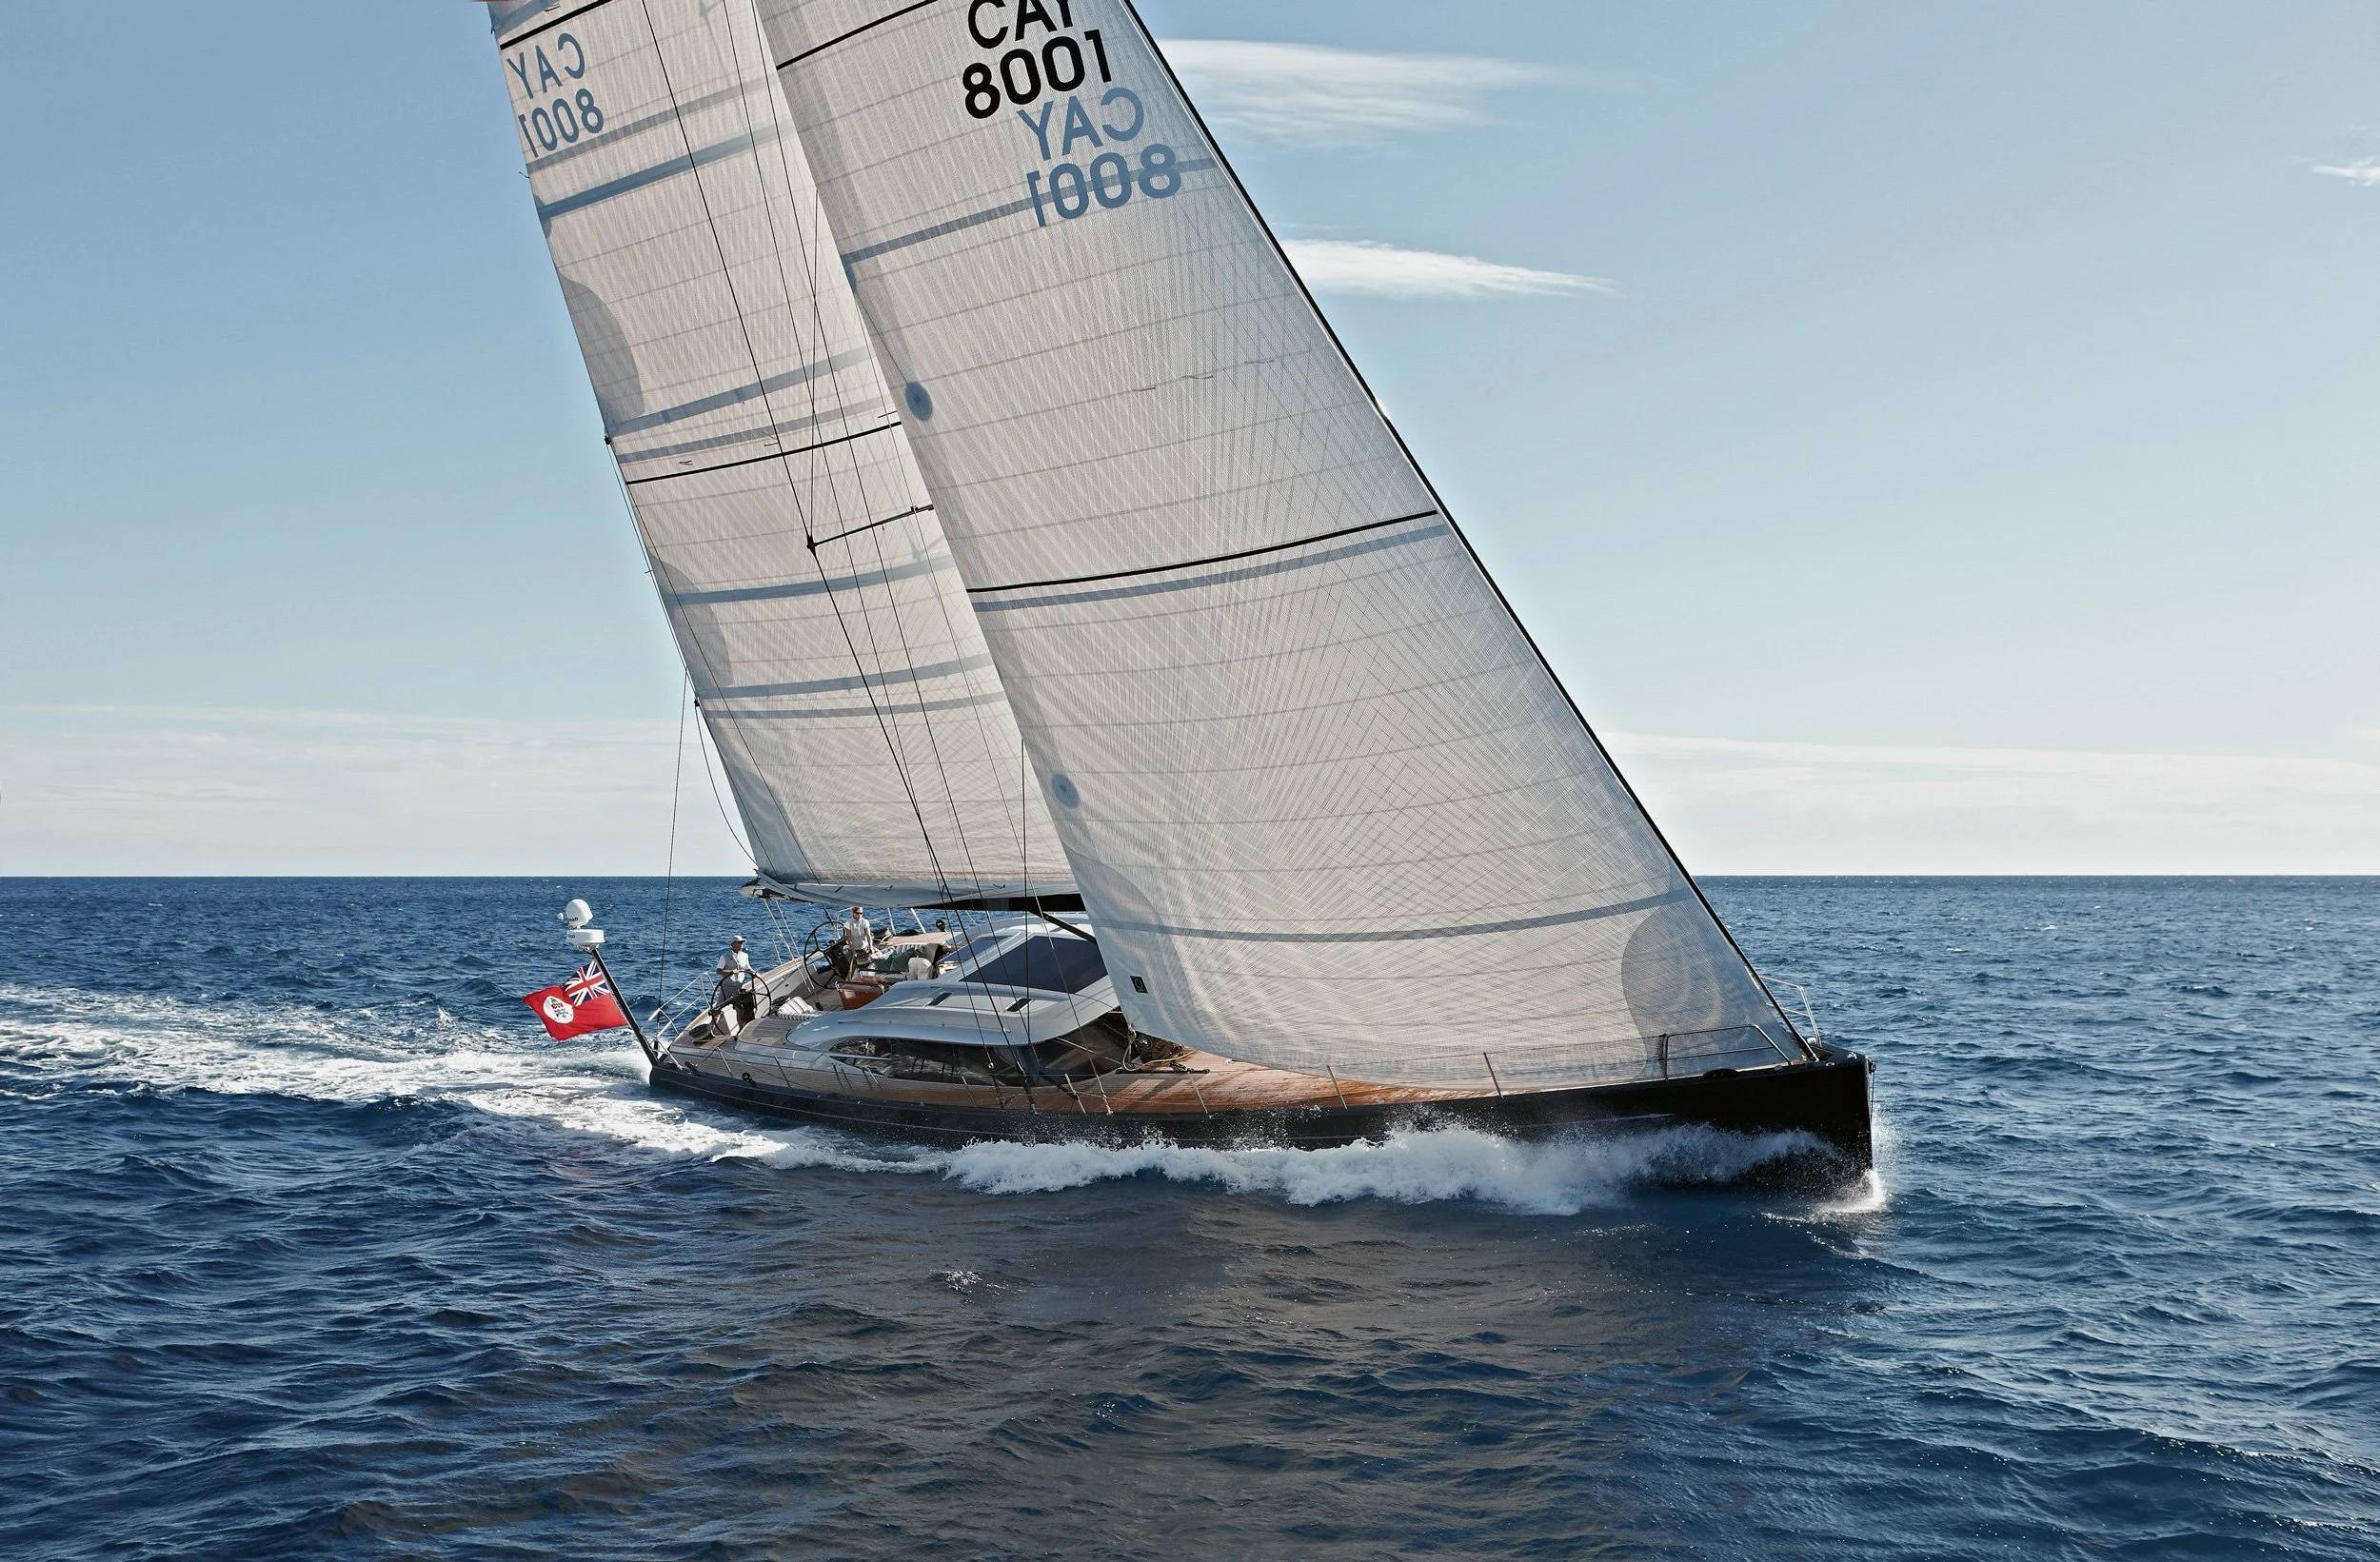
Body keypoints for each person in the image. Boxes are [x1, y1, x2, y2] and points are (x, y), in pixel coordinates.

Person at [715, 935, 757, 1031]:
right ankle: (710, 1028)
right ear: (733, 944)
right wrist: (729, 973)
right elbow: (718, 971)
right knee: (717, 1009)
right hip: (726, 987)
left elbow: (747, 968)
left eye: (742, 943)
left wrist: (754, 973)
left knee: (740, 1009)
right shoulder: (724, 956)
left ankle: (740, 1029)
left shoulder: (745, 956)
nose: (742, 944)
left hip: (738, 987)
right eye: (739, 943)